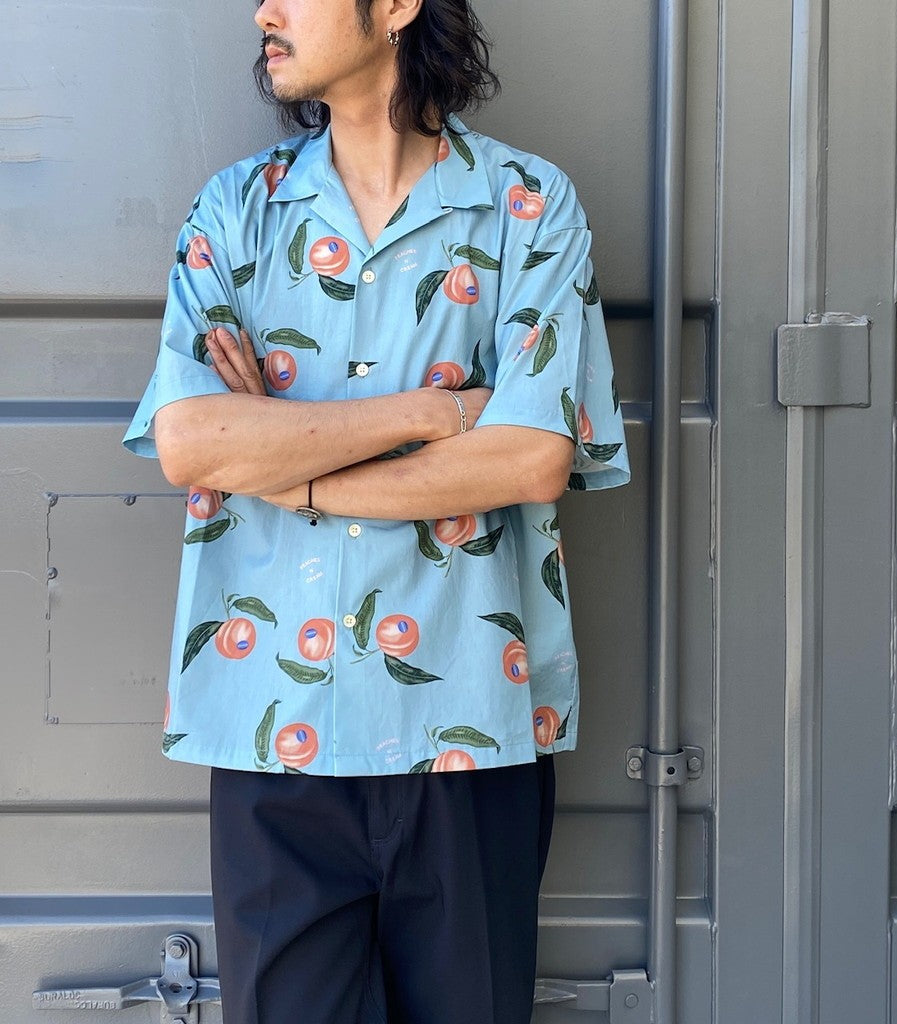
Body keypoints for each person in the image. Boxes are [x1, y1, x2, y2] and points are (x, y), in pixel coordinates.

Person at [122, 0, 630, 1020]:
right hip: (273, 731)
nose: (264, 12)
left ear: (395, 6)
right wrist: (435, 413)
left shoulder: (527, 207)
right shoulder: (237, 212)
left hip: (468, 730)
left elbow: (532, 457)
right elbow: (192, 443)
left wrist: (288, 463)